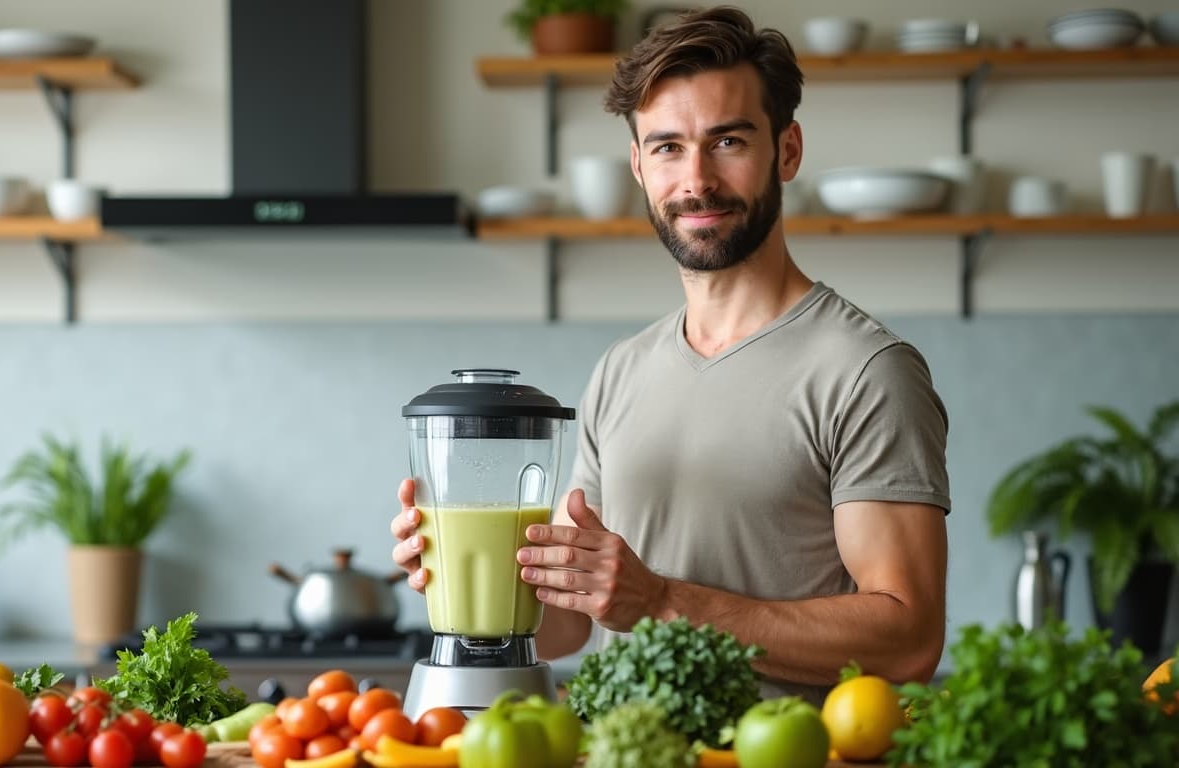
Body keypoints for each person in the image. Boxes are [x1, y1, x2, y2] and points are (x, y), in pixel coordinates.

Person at [391, 5, 950, 704]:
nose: (696, 181)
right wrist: (468, 573)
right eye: (667, 147)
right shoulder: (621, 371)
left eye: (728, 142)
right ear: (637, 165)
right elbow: (566, 628)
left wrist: (661, 600)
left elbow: (909, 642)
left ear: (787, 150)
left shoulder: (866, 371)